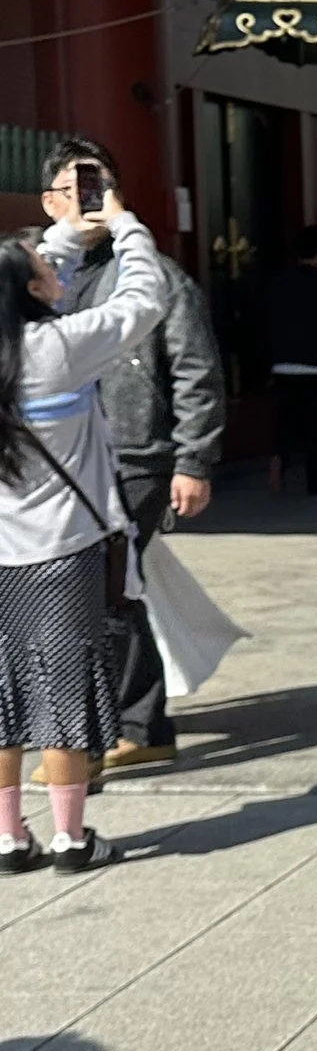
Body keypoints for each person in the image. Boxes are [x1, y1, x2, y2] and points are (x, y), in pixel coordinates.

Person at [0, 194, 175, 871]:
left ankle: (11, 837)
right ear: (30, 287)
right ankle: (72, 837)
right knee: (61, 690)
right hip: (60, 555)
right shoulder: (59, 348)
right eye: (44, 267)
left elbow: (23, 275)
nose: (56, 270)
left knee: (4, 694)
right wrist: (127, 226)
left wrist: (68, 232)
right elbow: (143, 299)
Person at [39, 136, 221, 772]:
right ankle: (123, 717)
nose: (85, 203)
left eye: (97, 189)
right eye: (72, 190)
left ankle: (134, 725)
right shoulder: (34, 277)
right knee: (93, 590)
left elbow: (197, 368)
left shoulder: (153, 273)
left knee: (104, 587)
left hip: (136, 455)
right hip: (53, 462)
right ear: (48, 200)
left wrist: (194, 459)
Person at [261, 226, 317, 497]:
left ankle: (278, 459)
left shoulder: (275, 285)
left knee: (285, 420)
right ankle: (316, 481)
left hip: (282, 363)